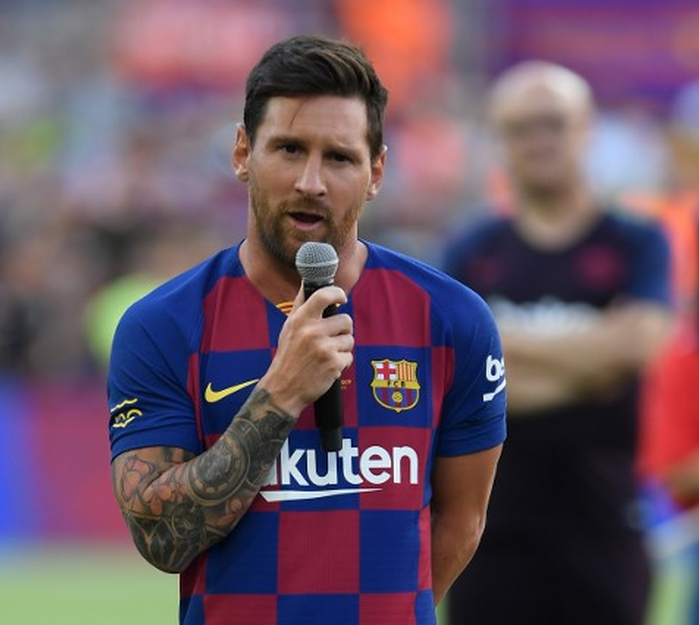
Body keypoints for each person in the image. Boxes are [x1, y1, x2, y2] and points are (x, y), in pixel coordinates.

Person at [107, 34, 506, 625]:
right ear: (243, 153)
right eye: (289, 149)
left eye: (339, 158)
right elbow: (161, 539)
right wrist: (280, 393)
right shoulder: (163, 325)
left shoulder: (452, 320)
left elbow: (461, 524)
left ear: (376, 172)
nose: (311, 182)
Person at [443, 61, 671, 624]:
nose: (538, 140)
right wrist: (588, 365)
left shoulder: (637, 241)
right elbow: (451, 377)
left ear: (587, 129)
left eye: (553, 123)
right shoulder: (472, 250)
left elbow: (638, 346)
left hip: (604, 527)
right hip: (488, 534)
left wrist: (499, 350)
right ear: (498, 139)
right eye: (521, 127)